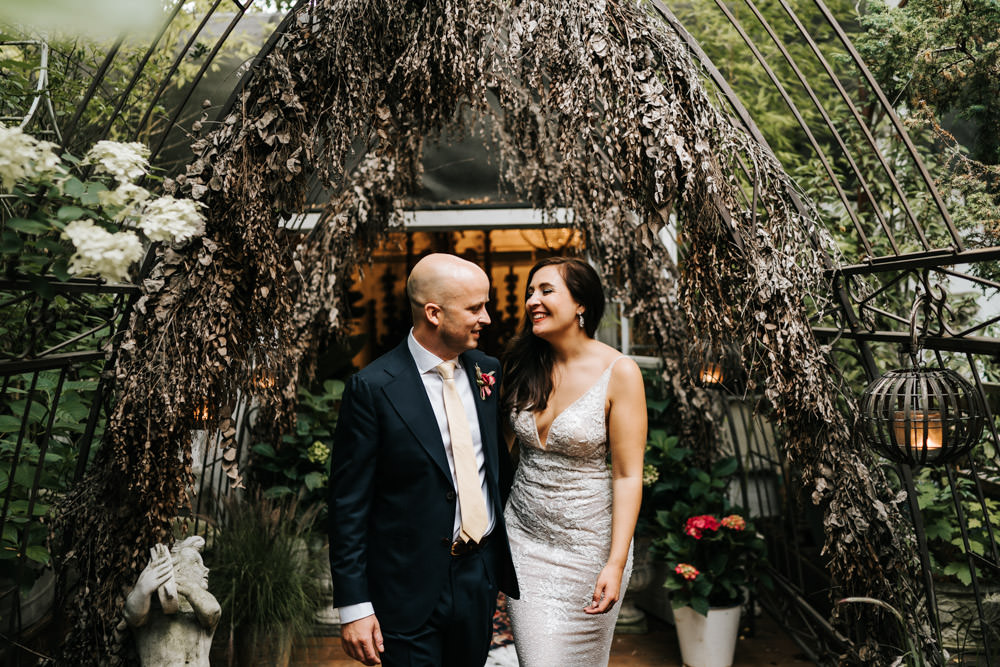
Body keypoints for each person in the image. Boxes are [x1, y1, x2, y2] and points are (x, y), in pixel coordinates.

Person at [329, 253, 519, 667]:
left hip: (477, 578)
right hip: (406, 587)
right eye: (474, 308)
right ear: (434, 313)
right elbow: (347, 504)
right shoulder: (373, 387)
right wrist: (354, 606)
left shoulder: (487, 371)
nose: (486, 318)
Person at [501, 256, 647, 665]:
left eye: (546, 290)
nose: (533, 300)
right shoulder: (520, 361)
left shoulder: (620, 372)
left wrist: (614, 563)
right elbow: (496, 451)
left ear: (581, 304)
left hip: (590, 549)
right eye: (530, 291)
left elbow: (627, 475)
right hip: (524, 544)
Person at [123, 536, 221, 667]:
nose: (206, 569)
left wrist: (189, 588)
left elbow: (212, 611)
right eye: (196, 563)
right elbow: (132, 614)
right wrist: (143, 589)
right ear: (175, 568)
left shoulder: (201, 609)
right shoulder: (149, 608)